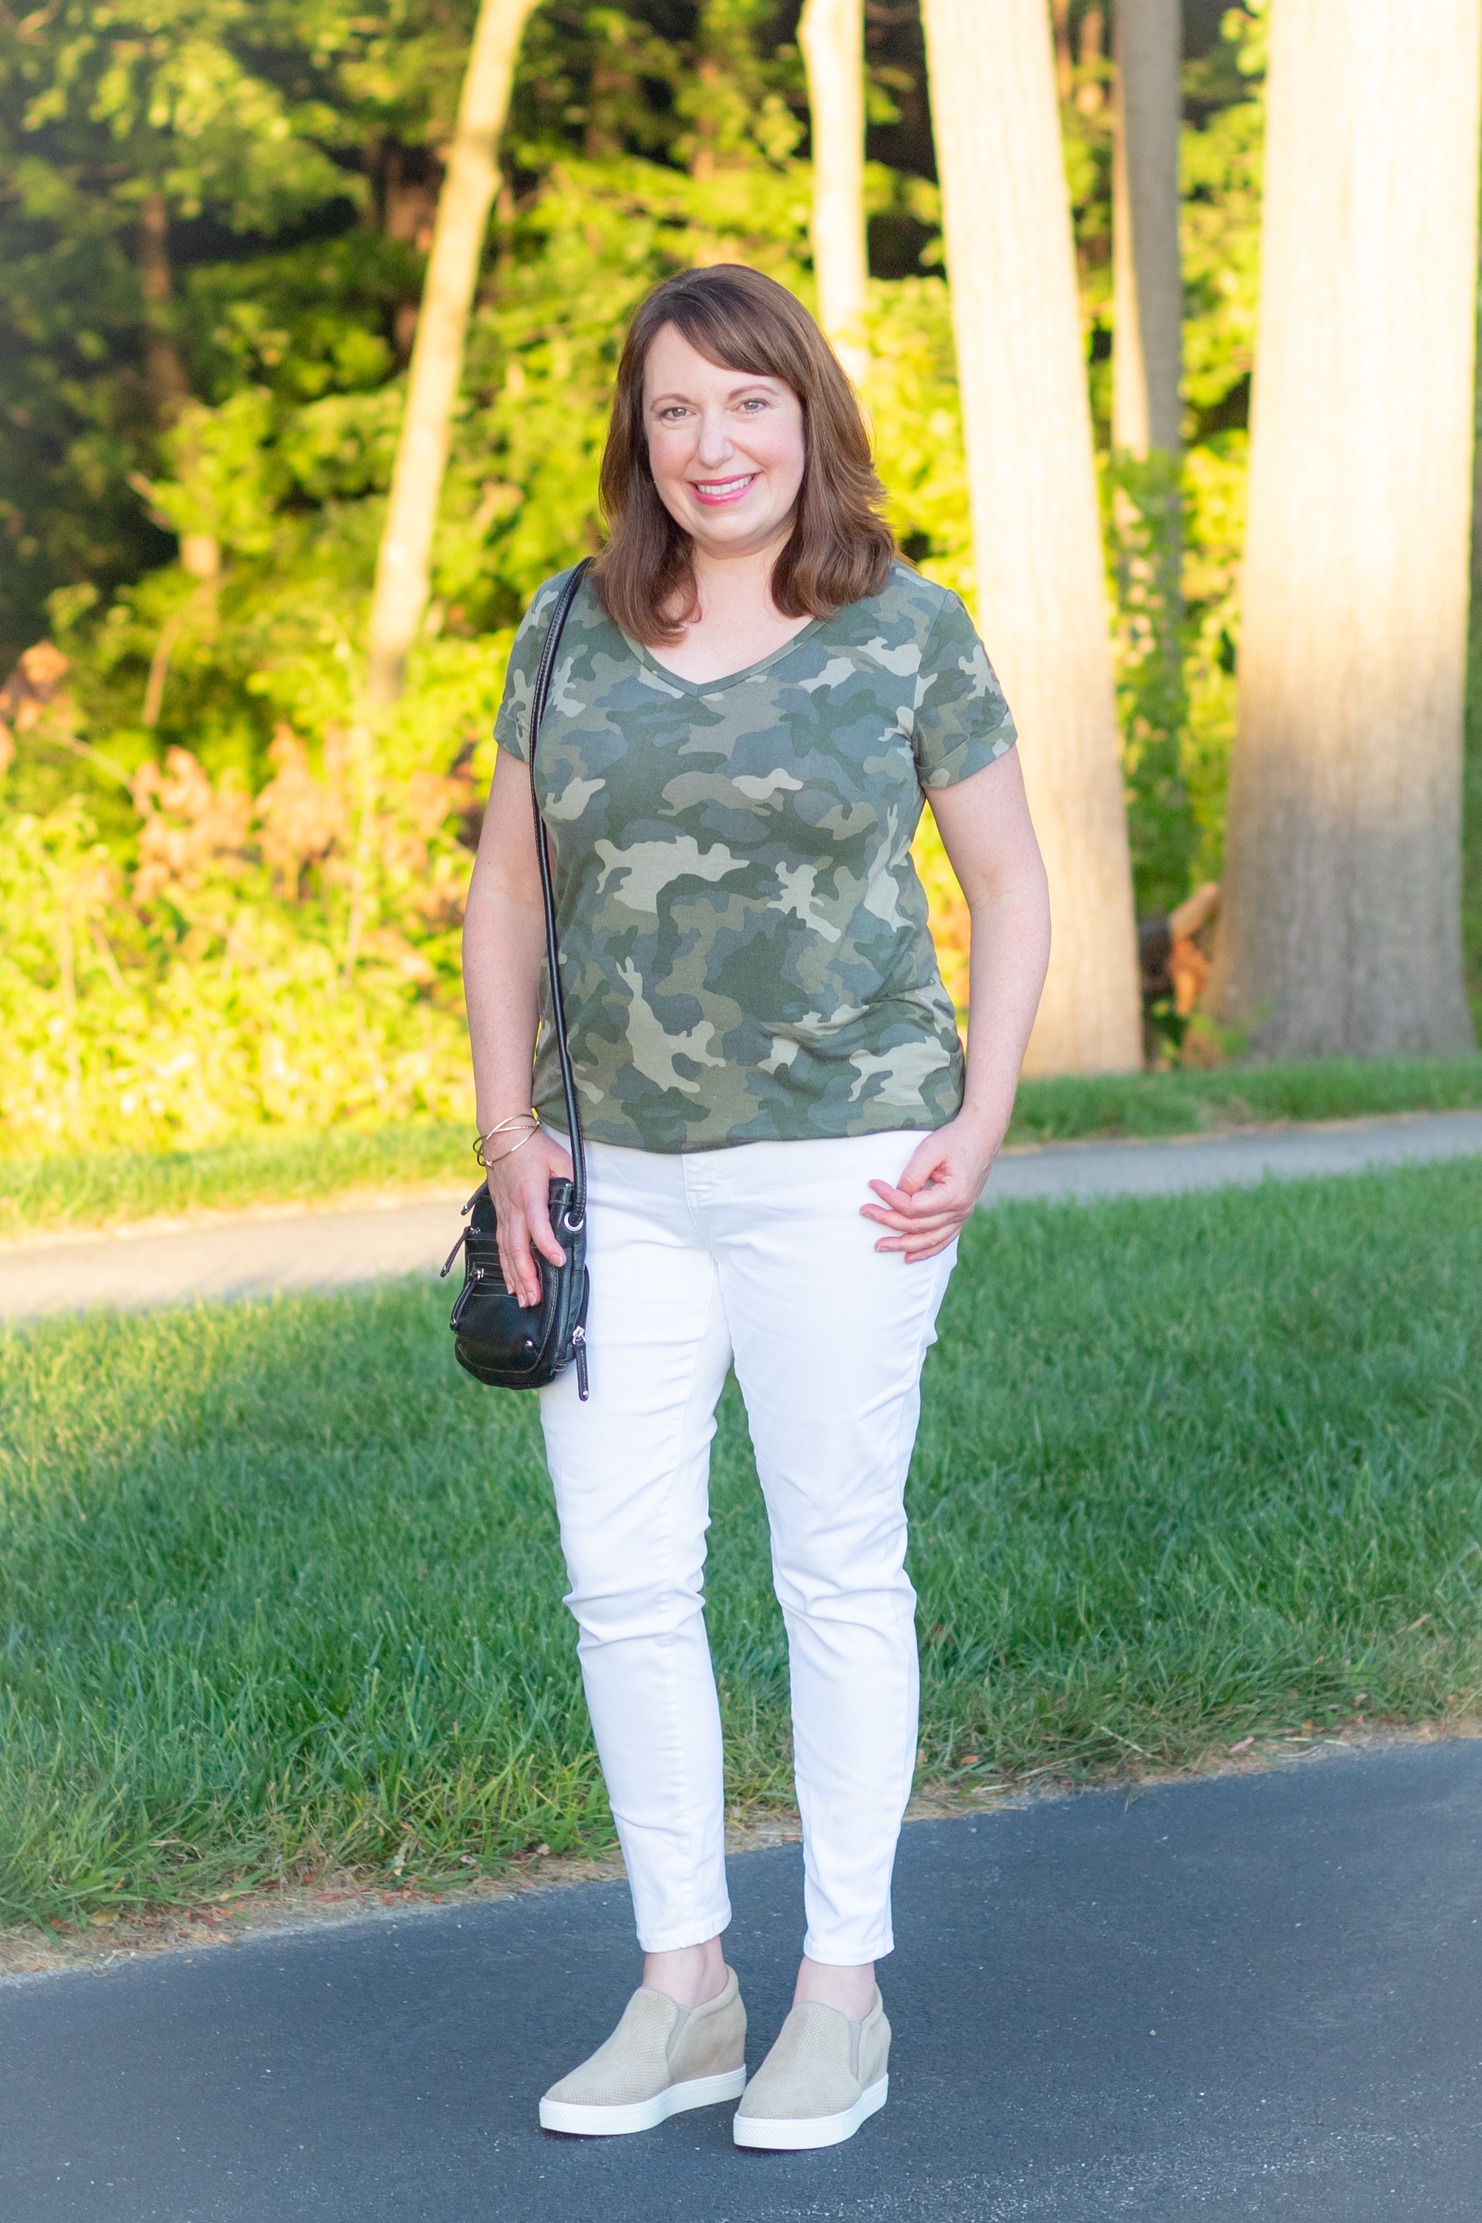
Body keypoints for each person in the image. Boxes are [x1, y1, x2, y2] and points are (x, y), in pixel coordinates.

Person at [462, 263, 1050, 2152]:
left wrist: (981, 1115)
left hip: (845, 1172)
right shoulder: (566, 631)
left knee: (830, 1566)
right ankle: (683, 1989)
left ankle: (840, 1995)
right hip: (609, 1182)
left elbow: (1013, 888)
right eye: (670, 413)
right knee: (622, 1585)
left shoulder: (905, 633)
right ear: (639, 442)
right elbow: (508, 902)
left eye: (745, 404)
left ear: (807, 414)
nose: (710, 446)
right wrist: (505, 1133)